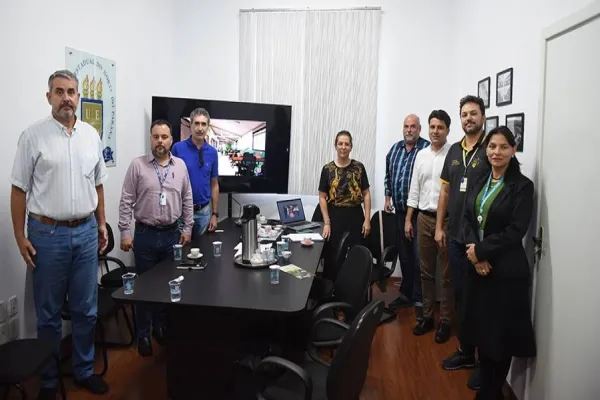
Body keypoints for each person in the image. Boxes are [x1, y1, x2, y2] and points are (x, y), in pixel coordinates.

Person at [10, 69, 109, 398]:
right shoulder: (33, 136)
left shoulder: (91, 136)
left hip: (86, 232)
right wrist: (19, 236)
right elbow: (19, 190)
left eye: (71, 92)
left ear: (78, 96)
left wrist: (102, 222)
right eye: (59, 91)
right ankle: (49, 381)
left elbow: (98, 184)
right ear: (49, 96)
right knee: (49, 315)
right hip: (46, 235)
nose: (66, 97)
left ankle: (84, 370)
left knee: (86, 309)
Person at [461, 126, 536, 399]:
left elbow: (516, 230)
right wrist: (475, 254)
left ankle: (494, 390)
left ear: (513, 150)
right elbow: (466, 218)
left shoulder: (522, 186)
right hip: (478, 268)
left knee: (500, 336)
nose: (497, 152)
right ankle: (485, 381)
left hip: (504, 272)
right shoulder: (480, 179)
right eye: (492, 146)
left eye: (504, 147)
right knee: (481, 330)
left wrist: (481, 251)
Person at [118, 119, 194, 357]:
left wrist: (187, 228)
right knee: (144, 287)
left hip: (172, 235)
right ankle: (143, 334)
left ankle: (160, 328)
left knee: (166, 286)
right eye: (156, 137)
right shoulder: (137, 166)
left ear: (171, 140)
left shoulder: (180, 166)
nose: (160, 141)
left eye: (164, 137)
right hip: (145, 236)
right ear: (150, 139)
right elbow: (126, 200)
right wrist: (125, 232)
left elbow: (187, 199)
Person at [436, 95, 490, 390]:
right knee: (462, 296)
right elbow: (445, 192)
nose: (468, 118)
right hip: (455, 236)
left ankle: (485, 362)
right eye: (464, 114)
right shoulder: (455, 150)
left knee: (480, 301)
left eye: (473, 113)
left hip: (479, 241)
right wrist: (440, 227)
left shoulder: (490, 148)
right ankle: (466, 352)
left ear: (483, 116)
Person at [405, 110, 453, 342]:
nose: (435, 131)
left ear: (447, 130)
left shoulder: (453, 154)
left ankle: (446, 320)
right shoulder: (421, 155)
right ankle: (427, 316)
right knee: (425, 271)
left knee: (446, 273)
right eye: (432, 127)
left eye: (440, 127)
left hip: (447, 220)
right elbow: (415, 189)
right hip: (423, 218)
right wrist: (408, 218)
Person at [384, 114, 430, 314]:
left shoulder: (427, 150)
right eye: (406, 126)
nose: (409, 130)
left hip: (420, 214)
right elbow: (388, 175)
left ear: (419, 129)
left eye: (413, 126)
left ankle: (420, 299)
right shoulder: (395, 149)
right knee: (405, 256)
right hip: (400, 212)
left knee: (419, 258)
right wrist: (387, 198)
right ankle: (406, 294)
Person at [318, 130, 371, 280]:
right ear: (335, 146)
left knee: (355, 255)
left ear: (351, 147)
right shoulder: (327, 169)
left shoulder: (359, 167)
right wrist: (326, 223)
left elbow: (366, 194)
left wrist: (367, 220)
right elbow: (322, 197)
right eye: (340, 143)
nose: (343, 147)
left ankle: (353, 289)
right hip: (335, 216)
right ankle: (331, 289)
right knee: (333, 255)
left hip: (355, 215)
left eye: (346, 144)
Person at [172, 108, 219, 237]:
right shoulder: (177, 148)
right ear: (190, 125)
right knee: (182, 248)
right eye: (196, 123)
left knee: (203, 247)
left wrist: (215, 214)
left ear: (207, 127)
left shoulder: (213, 152)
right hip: (181, 213)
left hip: (204, 213)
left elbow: (214, 184)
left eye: (203, 124)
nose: (200, 128)